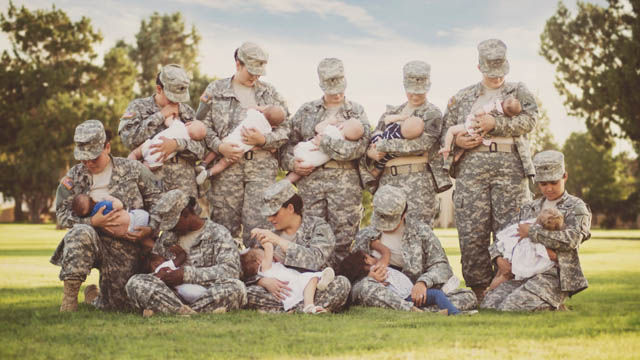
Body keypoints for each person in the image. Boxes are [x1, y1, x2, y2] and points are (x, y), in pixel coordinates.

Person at [441, 39, 538, 301]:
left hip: (510, 168)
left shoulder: (518, 91)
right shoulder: (461, 97)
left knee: (511, 229)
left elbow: (531, 119)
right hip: (472, 169)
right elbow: (444, 131)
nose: (497, 77)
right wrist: (458, 142)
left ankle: (511, 286)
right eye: (491, 72)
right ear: (479, 67)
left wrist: (497, 123)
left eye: (500, 71)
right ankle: (480, 290)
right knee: (473, 230)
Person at [50, 120, 161, 312]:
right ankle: (69, 301)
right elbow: (62, 213)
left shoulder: (133, 170)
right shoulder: (74, 177)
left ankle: (94, 297)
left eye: (94, 158)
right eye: (83, 159)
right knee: (80, 232)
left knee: (118, 306)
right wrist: (91, 222)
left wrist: (150, 229)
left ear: (107, 147)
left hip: (127, 246)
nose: (88, 164)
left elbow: (159, 204)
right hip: (91, 241)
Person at [196, 42, 290, 246]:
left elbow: (286, 128)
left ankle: (258, 275)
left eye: (259, 72)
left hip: (261, 170)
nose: (255, 77)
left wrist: (264, 140)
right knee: (223, 230)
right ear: (238, 64)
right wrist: (219, 146)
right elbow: (201, 125)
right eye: (251, 71)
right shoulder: (216, 90)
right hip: (226, 169)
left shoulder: (270, 93)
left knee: (259, 229)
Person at [281, 58, 371, 267]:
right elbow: (286, 146)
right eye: (331, 89)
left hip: (345, 183)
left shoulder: (355, 111)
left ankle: (342, 285)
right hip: (311, 182)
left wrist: (327, 144)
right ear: (321, 84)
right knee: (312, 236)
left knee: (344, 237)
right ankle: (314, 283)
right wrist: (293, 164)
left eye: (340, 87)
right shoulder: (306, 111)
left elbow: (360, 148)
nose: (337, 93)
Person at [481, 150, 592, 311]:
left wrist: (532, 232)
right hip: (522, 272)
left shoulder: (576, 207)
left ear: (565, 176)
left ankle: (554, 304)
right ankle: (547, 302)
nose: (548, 189)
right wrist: (498, 258)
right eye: (543, 184)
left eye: (553, 182)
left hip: (554, 274)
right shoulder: (530, 208)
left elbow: (572, 239)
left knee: (512, 307)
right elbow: (504, 235)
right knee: (490, 304)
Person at [350, 185, 477, 313]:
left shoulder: (421, 232)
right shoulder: (365, 236)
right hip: (383, 291)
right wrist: (370, 277)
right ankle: (416, 310)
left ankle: (413, 310)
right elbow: (352, 272)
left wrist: (423, 282)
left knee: (468, 296)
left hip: (416, 292)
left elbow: (442, 266)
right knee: (365, 288)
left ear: (404, 213)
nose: (385, 225)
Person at [126, 190, 247, 316]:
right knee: (135, 282)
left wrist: (186, 274)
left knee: (236, 288)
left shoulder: (218, 233)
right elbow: (157, 263)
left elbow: (231, 271)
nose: (170, 228)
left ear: (185, 213)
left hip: (207, 292)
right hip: (173, 293)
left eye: (173, 223)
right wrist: (159, 271)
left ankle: (172, 311)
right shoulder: (169, 236)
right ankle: (189, 311)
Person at [361, 61, 451, 226]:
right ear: (404, 86)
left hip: (417, 182)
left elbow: (422, 144)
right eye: (411, 91)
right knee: (384, 233)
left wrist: (383, 146)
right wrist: (370, 153)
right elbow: (372, 139)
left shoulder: (432, 113)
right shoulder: (391, 113)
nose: (415, 96)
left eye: (420, 92)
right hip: (387, 181)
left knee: (418, 233)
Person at [243, 180, 351, 313]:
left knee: (342, 284)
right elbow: (252, 267)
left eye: (275, 214)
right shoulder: (270, 232)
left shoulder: (318, 227)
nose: (270, 219)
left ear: (290, 208)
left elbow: (316, 260)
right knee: (247, 291)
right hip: (283, 291)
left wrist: (279, 242)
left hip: (314, 286)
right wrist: (262, 281)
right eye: (268, 215)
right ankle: (310, 309)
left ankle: (297, 309)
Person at [118, 64, 204, 206]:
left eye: (179, 98)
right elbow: (129, 139)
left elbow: (201, 151)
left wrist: (177, 145)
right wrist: (160, 115)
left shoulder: (187, 112)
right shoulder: (138, 107)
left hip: (184, 187)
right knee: (149, 225)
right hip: (151, 186)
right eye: (171, 98)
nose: (176, 102)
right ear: (159, 89)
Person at [340, 249, 460, 315]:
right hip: (406, 296)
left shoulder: (378, 267)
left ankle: (437, 309)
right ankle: (455, 313)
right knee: (437, 295)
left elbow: (385, 253)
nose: (373, 257)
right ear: (365, 261)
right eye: (369, 256)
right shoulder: (372, 274)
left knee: (465, 295)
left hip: (409, 293)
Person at [196, 105, 286, 184]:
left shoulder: (255, 114)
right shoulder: (268, 130)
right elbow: (262, 143)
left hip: (231, 139)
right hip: (239, 149)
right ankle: (209, 172)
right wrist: (263, 147)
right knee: (223, 163)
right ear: (274, 126)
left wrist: (260, 108)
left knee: (216, 150)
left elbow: (250, 108)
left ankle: (204, 164)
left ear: (264, 111)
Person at [241, 242, 335, 313]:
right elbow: (269, 247)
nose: (266, 254)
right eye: (263, 253)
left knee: (312, 280)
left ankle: (308, 304)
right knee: (312, 280)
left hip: (293, 284)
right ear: (259, 261)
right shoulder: (265, 268)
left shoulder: (269, 268)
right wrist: (266, 239)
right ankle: (309, 304)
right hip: (293, 284)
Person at [486, 207, 564, 293]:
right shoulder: (534, 234)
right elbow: (544, 252)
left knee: (502, 275)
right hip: (517, 255)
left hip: (511, 251)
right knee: (504, 275)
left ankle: (490, 290)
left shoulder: (527, 225)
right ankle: (490, 291)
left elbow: (510, 232)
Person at [440, 97, 522, 160]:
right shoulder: (505, 118)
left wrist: (477, 114)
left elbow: (479, 112)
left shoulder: (494, 105)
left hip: (472, 126)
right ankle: (458, 156)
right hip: (482, 137)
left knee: (451, 130)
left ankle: (447, 147)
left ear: (503, 102)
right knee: (468, 144)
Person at [286, 117, 365, 183]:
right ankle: (289, 180)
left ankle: (285, 182)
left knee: (298, 148)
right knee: (301, 171)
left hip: (305, 151)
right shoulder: (343, 143)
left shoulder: (333, 130)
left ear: (342, 126)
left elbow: (318, 128)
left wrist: (328, 122)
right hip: (315, 162)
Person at [128, 116, 207, 171]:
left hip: (151, 144)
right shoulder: (187, 140)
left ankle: (128, 165)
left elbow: (167, 121)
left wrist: (172, 116)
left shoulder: (179, 124)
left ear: (188, 123)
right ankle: (138, 171)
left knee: (135, 153)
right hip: (158, 156)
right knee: (145, 169)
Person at [366, 113, 425, 178]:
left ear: (402, 124)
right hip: (388, 156)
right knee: (379, 167)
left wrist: (401, 117)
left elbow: (387, 119)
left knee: (378, 134)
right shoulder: (406, 141)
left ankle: (368, 179)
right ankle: (375, 172)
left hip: (378, 144)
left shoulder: (394, 128)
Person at [71, 193, 150, 239]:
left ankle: (154, 248)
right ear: (93, 199)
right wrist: (111, 198)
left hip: (127, 234)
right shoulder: (102, 206)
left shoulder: (94, 222)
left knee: (144, 240)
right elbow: (119, 205)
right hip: (135, 219)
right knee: (148, 219)